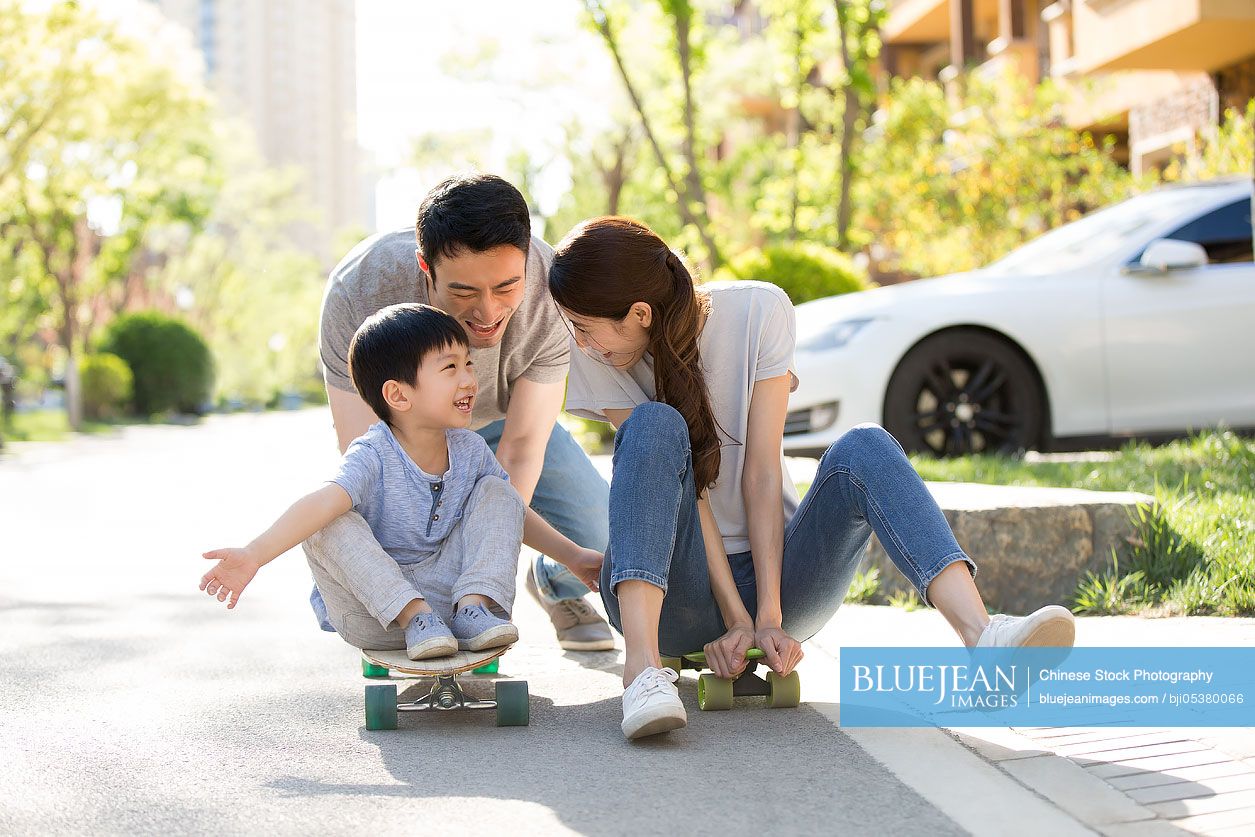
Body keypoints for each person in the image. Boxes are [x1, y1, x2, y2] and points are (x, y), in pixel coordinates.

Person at [548, 216, 1077, 741]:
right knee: (653, 426)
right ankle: (641, 672)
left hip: (782, 581)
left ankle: (983, 638)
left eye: (586, 328)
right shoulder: (597, 354)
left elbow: (760, 471)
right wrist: (735, 615)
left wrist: (769, 615)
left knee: (864, 445)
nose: (582, 343)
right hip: (670, 595)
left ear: (640, 313)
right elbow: (693, 498)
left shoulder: (759, 310)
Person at [316, 174, 613, 651]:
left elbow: (519, 450)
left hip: (502, 425)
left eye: (506, 286)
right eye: (465, 292)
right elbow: (370, 456)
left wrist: (476, 580)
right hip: (404, 439)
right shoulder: (359, 290)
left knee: (602, 532)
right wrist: (406, 588)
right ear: (425, 268)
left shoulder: (552, 292)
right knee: (356, 548)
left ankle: (554, 584)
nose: (488, 311)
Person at [199, 304, 589, 659]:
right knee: (328, 518)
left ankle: (474, 607)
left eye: (469, 364)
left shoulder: (469, 450)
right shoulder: (373, 454)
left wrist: (574, 557)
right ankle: (414, 615)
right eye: (450, 368)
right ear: (398, 395)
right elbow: (320, 503)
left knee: (499, 491)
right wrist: (253, 555)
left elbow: (510, 514)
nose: (469, 379)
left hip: (452, 601)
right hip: (376, 611)